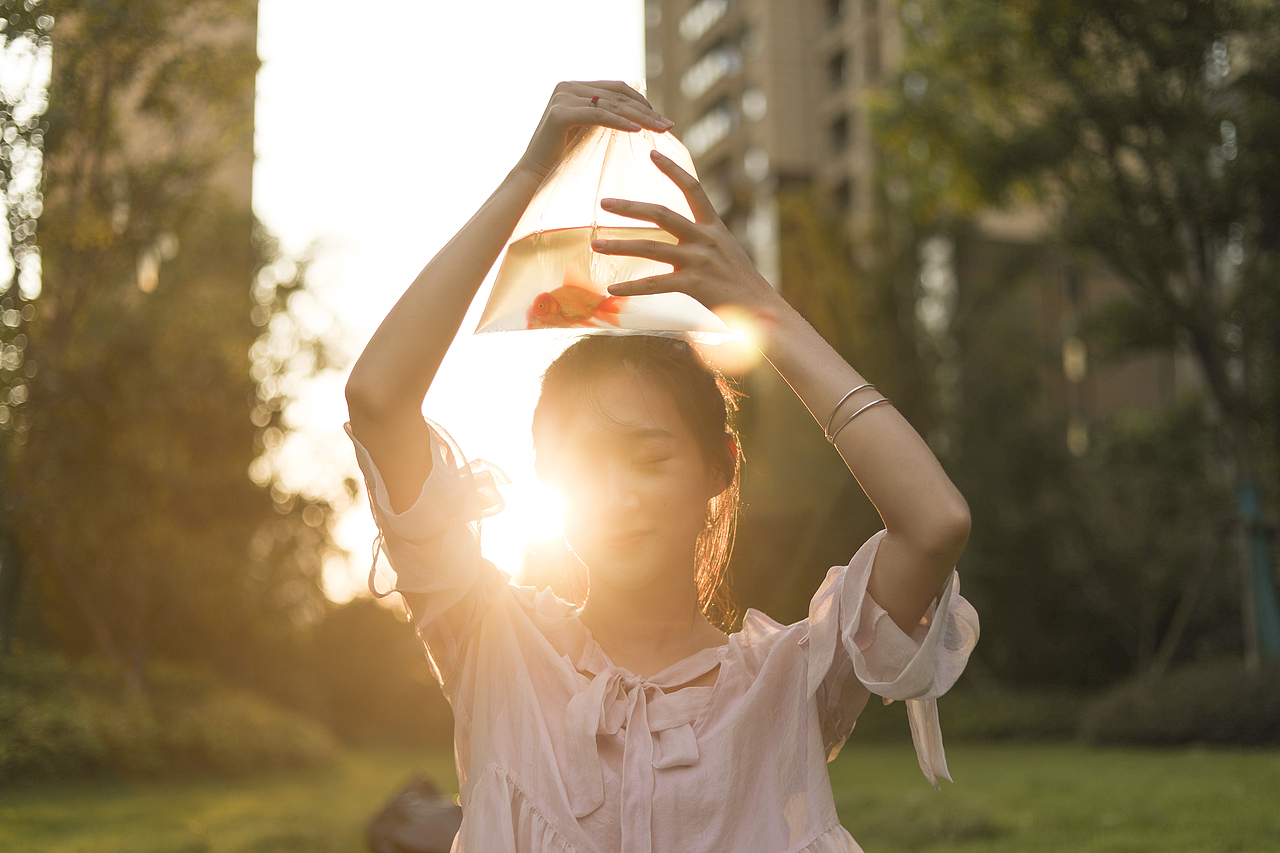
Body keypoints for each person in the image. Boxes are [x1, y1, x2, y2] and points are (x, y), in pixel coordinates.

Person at [344, 81, 979, 853]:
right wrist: (525, 178)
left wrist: (757, 305)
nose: (615, 494)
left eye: (649, 456)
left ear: (720, 467)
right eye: (582, 462)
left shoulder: (786, 682)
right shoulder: (494, 644)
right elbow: (377, 400)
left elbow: (934, 521)